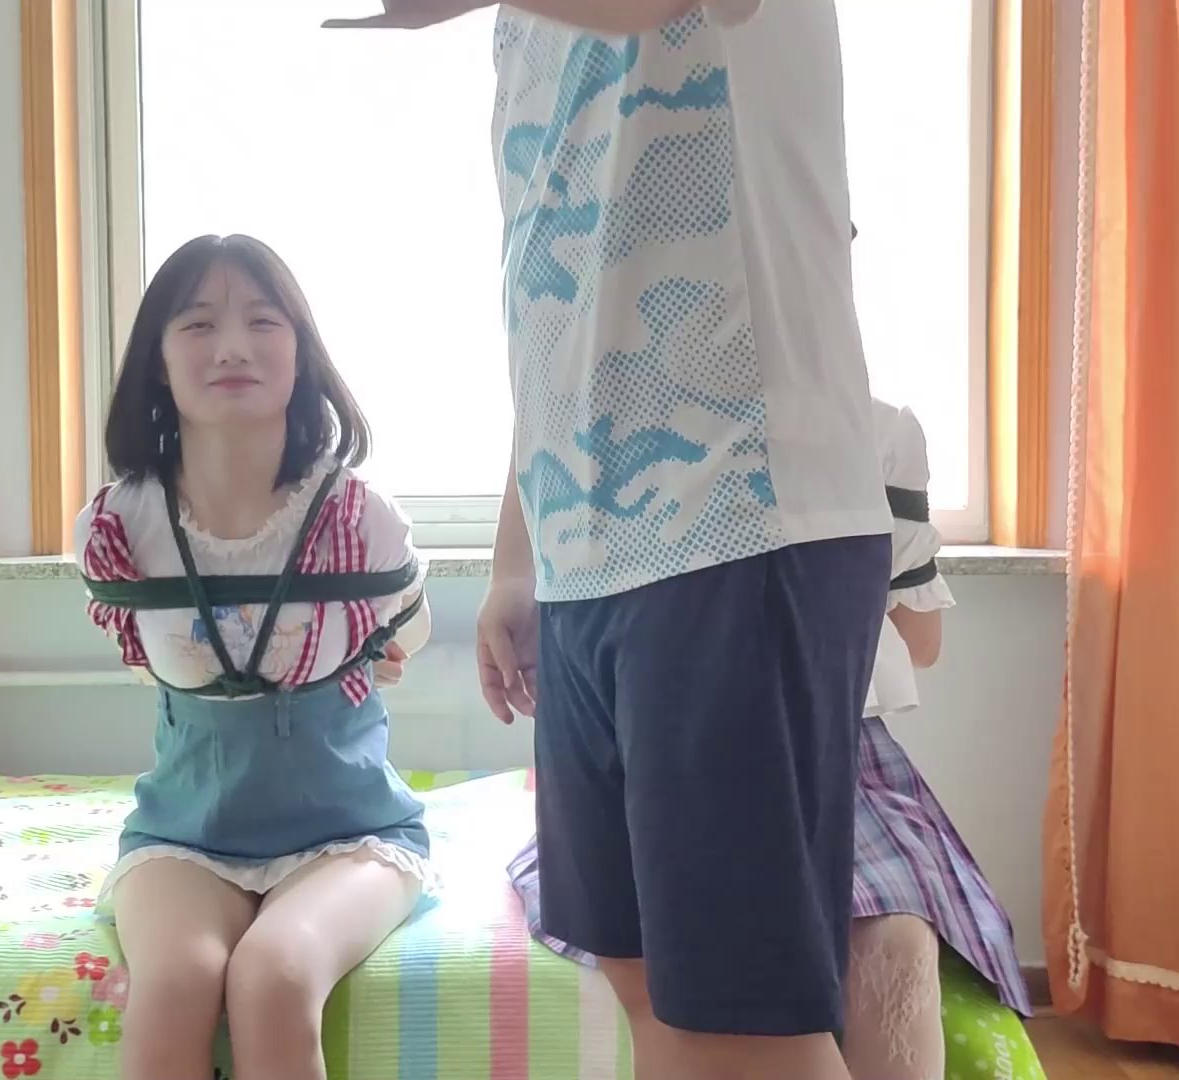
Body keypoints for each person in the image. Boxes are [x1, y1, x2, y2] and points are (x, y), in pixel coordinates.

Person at [332, 3, 893, 1078]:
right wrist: (520, 555)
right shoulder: (525, 32)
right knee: (638, 978)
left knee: (741, 1016)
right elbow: (567, 298)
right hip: (590, 556)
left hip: (740, 518)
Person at [510, 397, 1035, 1080]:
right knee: (890, 944)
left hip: (695, 740)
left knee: (869, 943)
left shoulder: (618, 409)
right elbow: (920, 641)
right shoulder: (875, 427)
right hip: (820, 749)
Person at [74, 234, 433, 1080]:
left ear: (301, 351)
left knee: (274, 976)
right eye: (198, 324)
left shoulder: (362, 519)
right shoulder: (118, 528)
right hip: (182, 835)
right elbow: (144, 656)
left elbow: (402, 641)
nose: (232, 346)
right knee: (175, 984)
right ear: (159, 360)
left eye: (262, 321)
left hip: (352, 835)